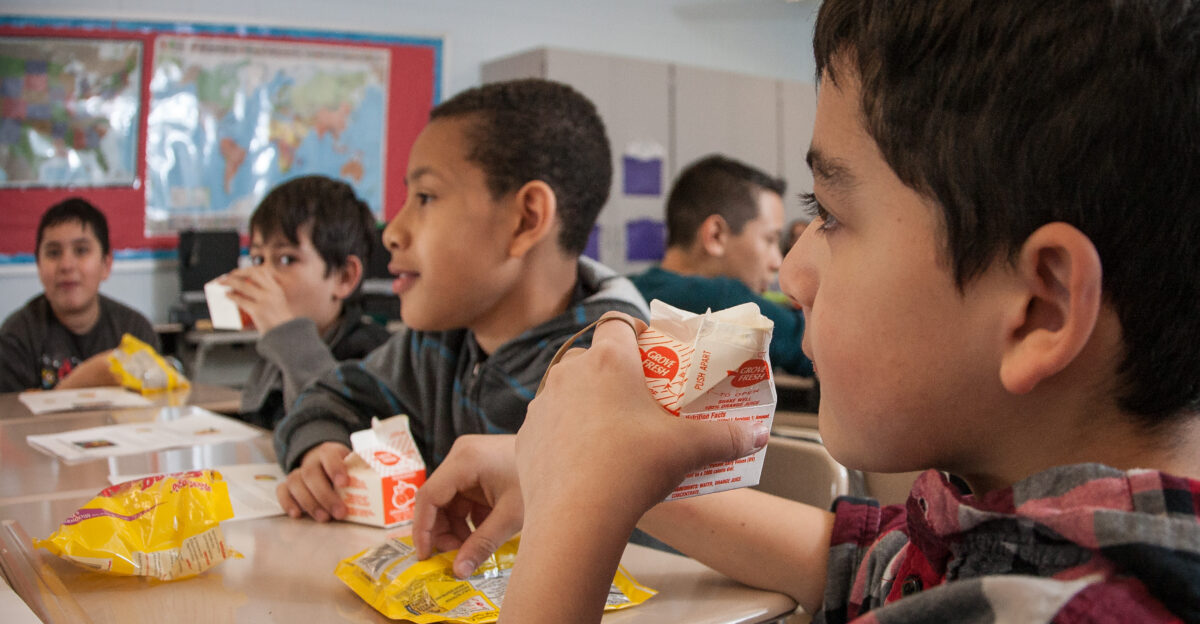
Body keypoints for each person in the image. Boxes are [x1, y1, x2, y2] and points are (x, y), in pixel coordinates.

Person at [410, 1, 1200, 622]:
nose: (792, 270)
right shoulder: (1038, 539)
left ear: (1039, 308)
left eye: (829, 213)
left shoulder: (1066, 610)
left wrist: (572, 519)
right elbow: (860, 561)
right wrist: (579, 476)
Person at [273, 78, 650, 522]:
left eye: (426, 197)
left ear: (525, 219)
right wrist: (322, 447)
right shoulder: (440, 343)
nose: (392, 231)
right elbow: (333, 394)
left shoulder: (611, 368)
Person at [221, 175, 391, 430]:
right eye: (258, 260)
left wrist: (287, 336)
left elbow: (341, 430)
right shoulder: (274, 355)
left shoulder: (377, 357)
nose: (263, 276)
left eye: (287, 259)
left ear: (344, 277)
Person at [629, 154, 813, 376]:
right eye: (770, 240)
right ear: (715, 235)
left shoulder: (628, 291)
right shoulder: (724, 299)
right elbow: (815, 346)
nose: (778, 262)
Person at [0, 198, 160, 392]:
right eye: (53, 253)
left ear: (106, 264)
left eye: (81, 250)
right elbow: (13, 419)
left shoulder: (135, 331)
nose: (66, 265)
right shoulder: (16, 338)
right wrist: (88, 377)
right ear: (39, 265)